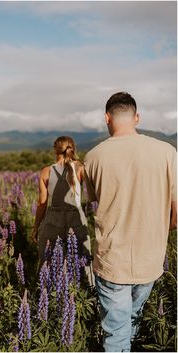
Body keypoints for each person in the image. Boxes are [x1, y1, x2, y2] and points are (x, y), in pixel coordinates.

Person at [84, 92, 177, 352]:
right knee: (132, 316)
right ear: (137, 117)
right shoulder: (168, 152)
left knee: (116, 331)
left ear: (106, 118)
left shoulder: (93, 157)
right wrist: (165, 226)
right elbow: (176, 210)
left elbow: (95, 202)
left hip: (113, 258)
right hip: (151, 256)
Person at [31, 135, 94, 286]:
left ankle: (47, 294)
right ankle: (86, 291)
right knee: (83, 260)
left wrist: (35, 228)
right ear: (72, 149)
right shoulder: (80, 167)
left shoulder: (46, 171)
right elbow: (93, 192)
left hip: (53, 219)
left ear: (55, 150)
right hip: (76, 217)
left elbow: (42, 203)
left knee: (48, 260)